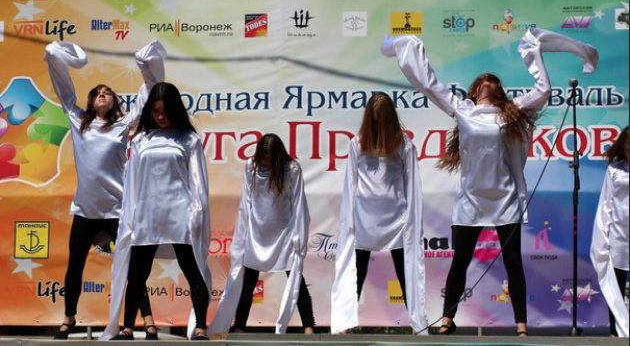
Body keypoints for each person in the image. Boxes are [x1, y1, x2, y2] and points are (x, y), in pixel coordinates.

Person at [381, 27, 598, 336]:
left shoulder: (511, 112)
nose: (487, 82)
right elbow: (430, 85)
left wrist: (534, 50)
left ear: (499, 92)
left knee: (513, 263)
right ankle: (446, 321)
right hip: (471, 200)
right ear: (474, 91)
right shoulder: (463, 110)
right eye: (482, 81)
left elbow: (543, 90)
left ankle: (521, 325)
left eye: (492, 81)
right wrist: (408, 47)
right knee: (460, 261)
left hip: (505, 199)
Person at [44, 40, 165, 340]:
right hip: (85, 209)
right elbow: (62, 85)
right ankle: (69, 318)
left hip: (116, 209)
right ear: (91, 101)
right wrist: (59, 55)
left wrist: (146, 64)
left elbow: (149, 92)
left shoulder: (123, 124)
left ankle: (147, 319)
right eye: (97, 92)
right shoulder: (78, 120)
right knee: (75, 266)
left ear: (114, 102)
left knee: (132, 268)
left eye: (107, 92)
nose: (102, 94)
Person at [101, 82, 212, 341]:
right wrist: (130, 216)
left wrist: (197, 213)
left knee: (193, 270)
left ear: (176, 110)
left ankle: (200, 328)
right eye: (156, 111)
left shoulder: (189, 140)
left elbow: (198, 182)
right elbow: (132, 182)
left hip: (179, 214)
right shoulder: (141, 139)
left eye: (165, 111)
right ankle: (128, 327)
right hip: (147, 215)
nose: (160, 117)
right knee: (137, 274)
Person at [330, 92, 428, 335]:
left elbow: (412, 181)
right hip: (364, 217)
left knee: (405, 269)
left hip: (396, 217)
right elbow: (351, 181)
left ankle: (417, 323)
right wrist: (349, 218)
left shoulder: (403, 143)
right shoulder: (358, 143)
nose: (377, 126)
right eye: (373, 121)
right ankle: (344, 323)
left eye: (381, 121)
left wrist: (412, 216)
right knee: (356, 269)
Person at [208, 134, 315, 334]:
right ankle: (239, 326)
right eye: (262, 157)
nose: (265, 162)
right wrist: (242, 236)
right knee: (248, 282)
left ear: (278, 157)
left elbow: (299, 205)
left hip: (284, 234)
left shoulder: (291, 169)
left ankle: (309, 326)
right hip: (257, 235)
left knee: (296, 279)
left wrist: (300, 237)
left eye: (269, 158)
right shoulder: (252, 166)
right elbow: (246, 203)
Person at [590, 126, 629, 338]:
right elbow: (605, 204)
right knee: (616, 284)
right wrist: (603, 236)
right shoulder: (614, 170)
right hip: (619, 233)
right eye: (627, 145)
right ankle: (615, 331)